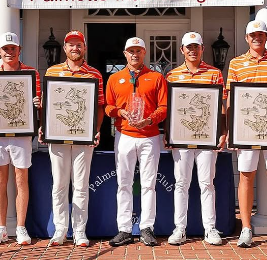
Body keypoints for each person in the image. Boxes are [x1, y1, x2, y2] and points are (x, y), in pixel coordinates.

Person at [226, 20, 267, 248]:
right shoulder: (236, 63)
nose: (257, 38)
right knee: (246, 175)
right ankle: (246, 228)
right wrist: (232, 130)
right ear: (247, 38)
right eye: (253, 35)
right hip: (245, 130)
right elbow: (230, 100)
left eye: (261, 34)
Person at [42, 30, 104, 247]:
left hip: (83, 138)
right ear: (65, 48)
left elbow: (100, 106)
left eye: (79, 44)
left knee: (80, 185)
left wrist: (96, 129)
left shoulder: (94, 74)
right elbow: (46, 105)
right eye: (71, 45)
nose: (75, 48)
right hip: (58, 137)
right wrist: (44, 127)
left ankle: (79, 231)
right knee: (59, 184)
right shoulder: (53, 71)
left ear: (84, 48)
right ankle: (60, 229)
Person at [164, 32, 226, 245]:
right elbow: (169, 108)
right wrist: (167, 133)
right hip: (180, 137)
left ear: (202, 49)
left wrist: (223, 131)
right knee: (181, 183)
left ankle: (210, 228)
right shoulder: (172, 75)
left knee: (207, 183)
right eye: (188, 47)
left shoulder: (214, 73)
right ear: (182, 50)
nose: (192, 50)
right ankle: (179, 229)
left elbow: (222, 107)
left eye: (196, 47)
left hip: (207, 137)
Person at [106, 37, 168, 247]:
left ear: (144, 53)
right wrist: (120, 111)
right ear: (125, 54)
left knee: (149, 184)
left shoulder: (156, 77)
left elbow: (163, 107)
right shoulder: (115, 78)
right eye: (131, 51)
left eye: (138, 51)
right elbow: (107, 106)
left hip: (150, 136)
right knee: (123, 183)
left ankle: (146, 228)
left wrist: (150, 119)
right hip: (124, 135)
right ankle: (123, 229)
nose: (135, 54)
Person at [0, 32, 41, 246]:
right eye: (5, 49)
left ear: (19, 50)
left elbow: (39, 105)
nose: (9, 52)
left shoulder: (31, 74)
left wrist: (37, 102)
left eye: (13, 48)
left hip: (22, 133)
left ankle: (21, 227)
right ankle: (1, 228)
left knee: (20, 179)